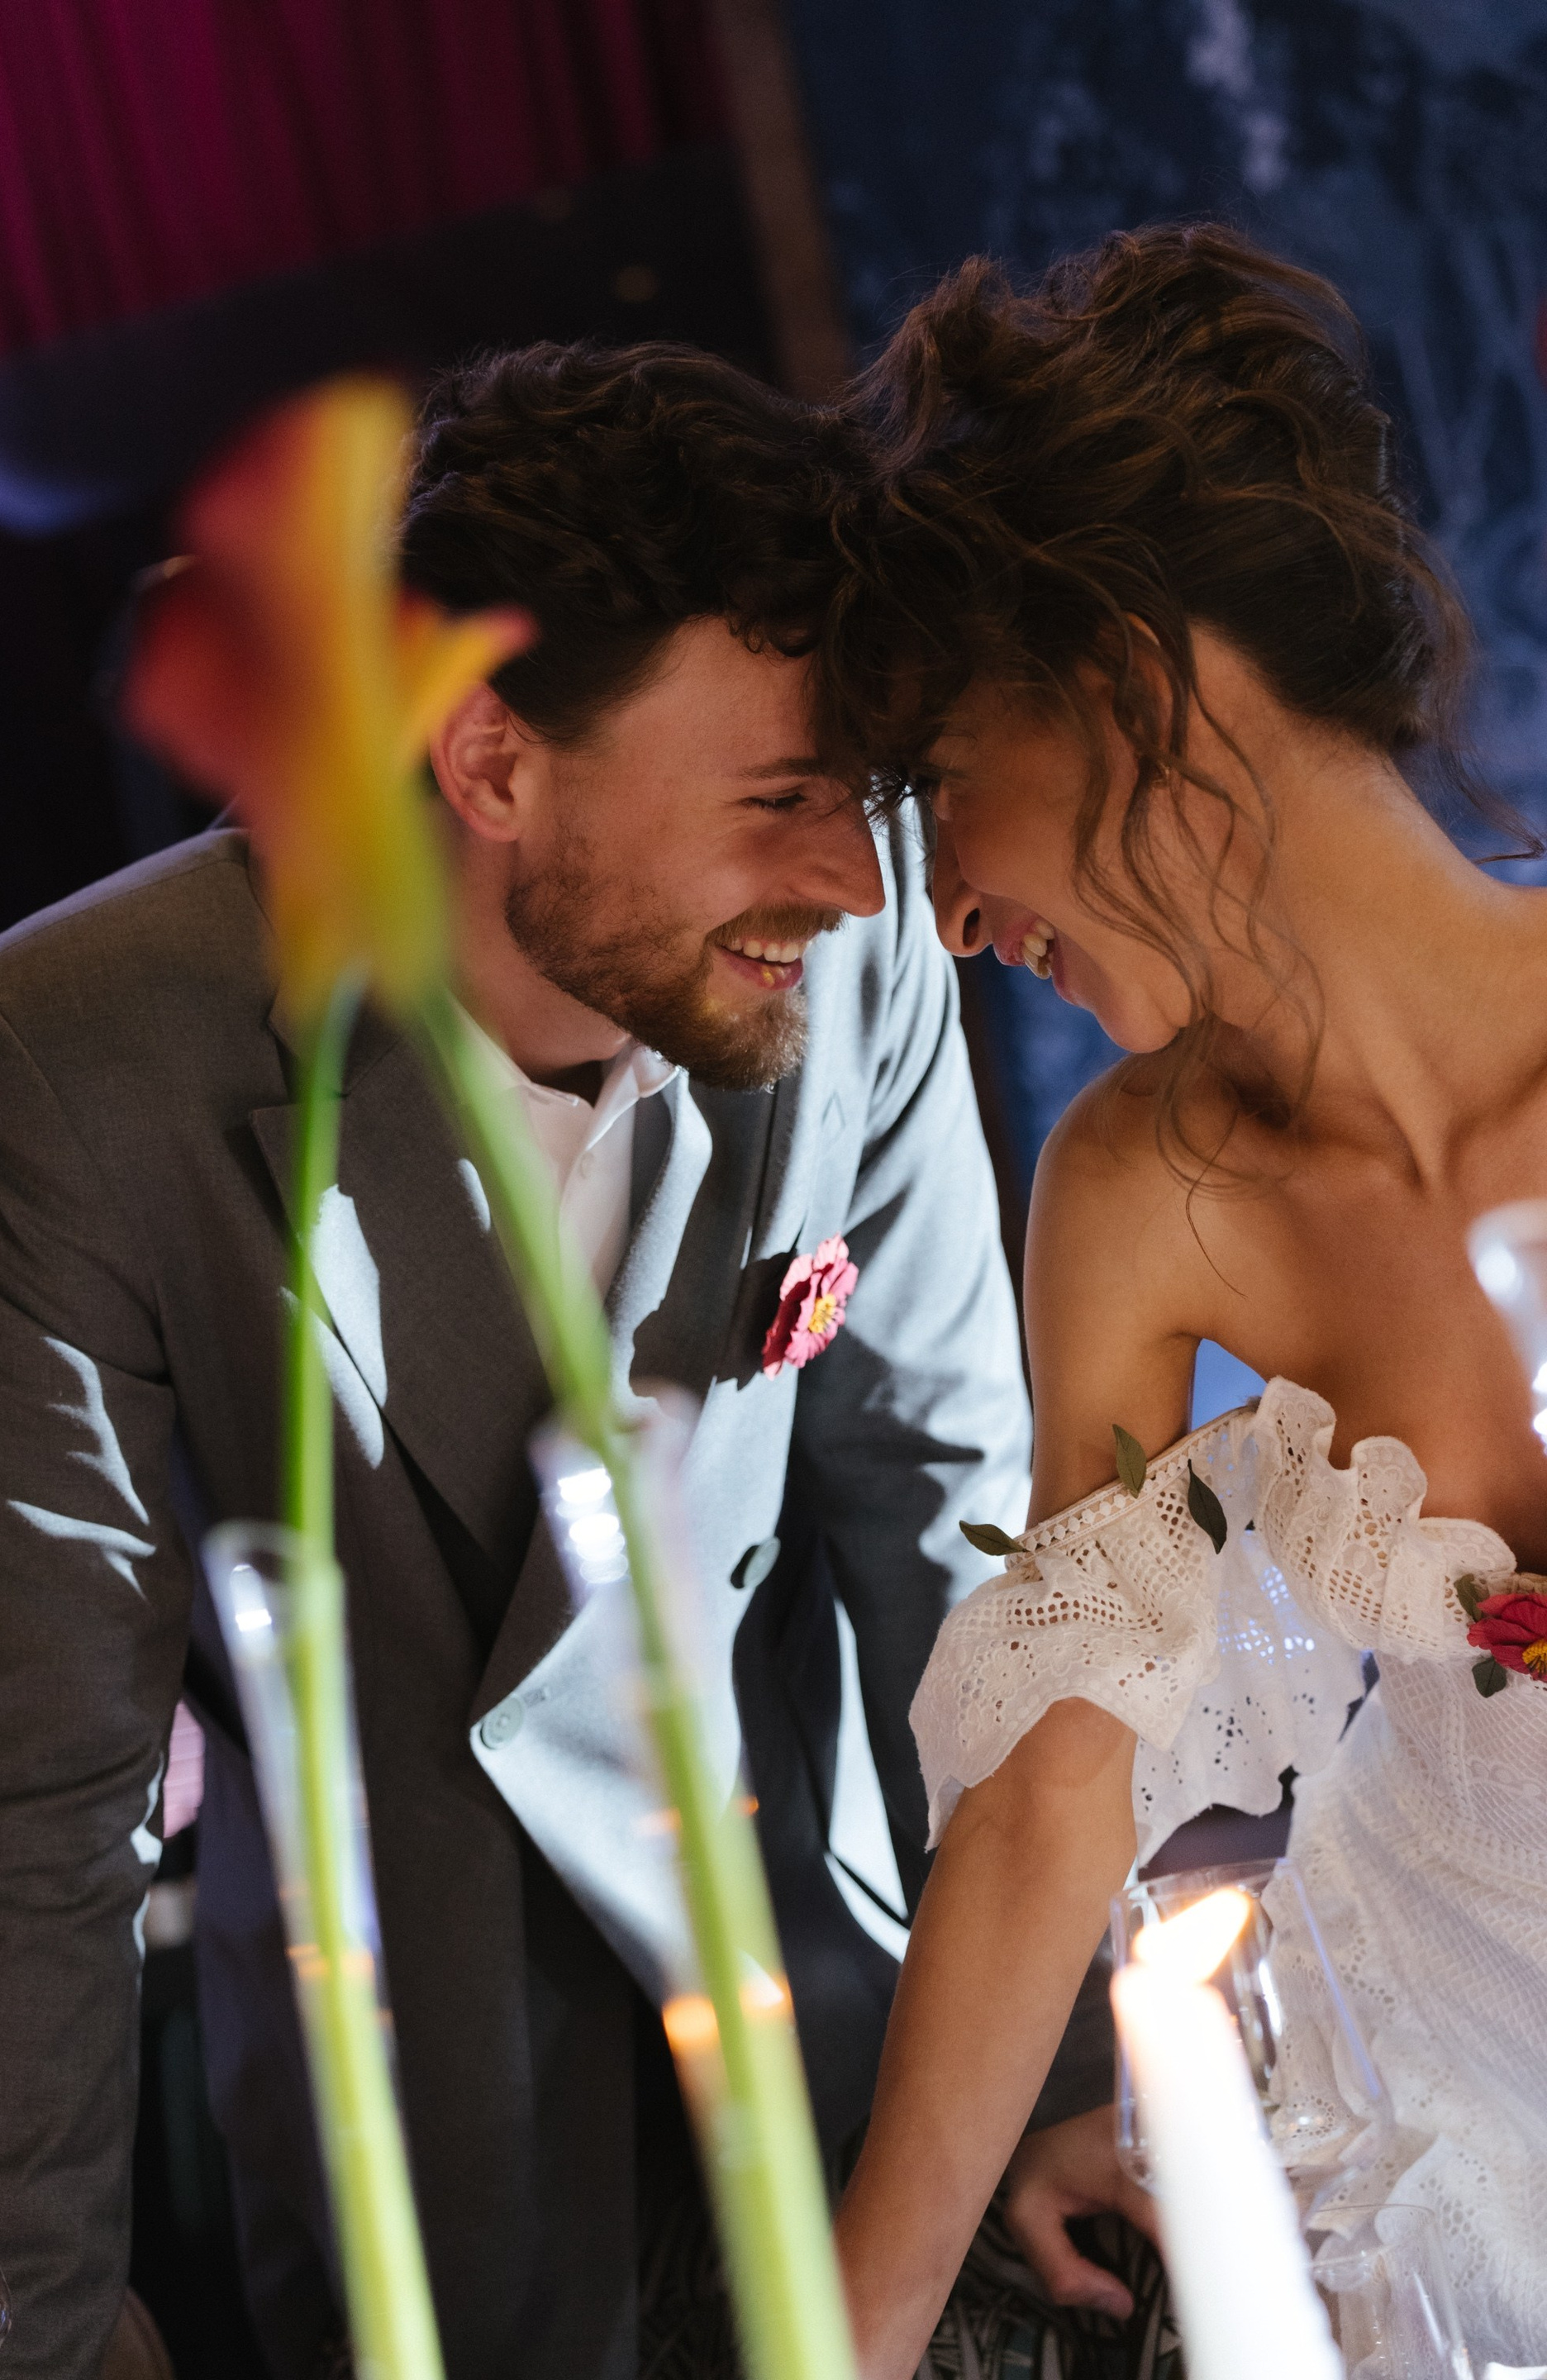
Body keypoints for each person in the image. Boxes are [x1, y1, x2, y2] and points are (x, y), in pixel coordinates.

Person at [0, 339, 1113, 2380]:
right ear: (491, 763)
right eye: (779, 800)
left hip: (861, 2067)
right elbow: (39, 1794)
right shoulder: (71, 1067)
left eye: (861, 795)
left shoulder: (855, 945)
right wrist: (26, 2336)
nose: (858, 884)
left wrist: (1059, 2072)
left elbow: (953, 1533)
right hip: (434, 2157)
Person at [825, 226, 1547, 2376]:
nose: (946, 912)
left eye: (941, 788)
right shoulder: (1142, 1193)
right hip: (1441, 2124)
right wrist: (844, 2335)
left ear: (1131, 670)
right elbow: (1052, 1791)